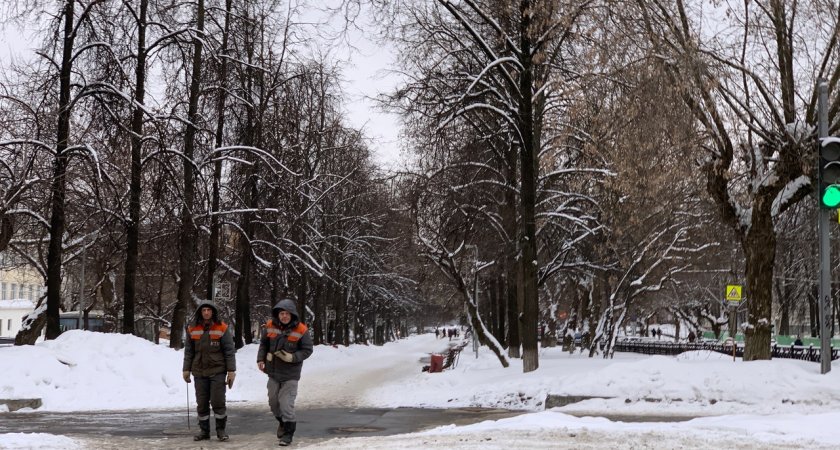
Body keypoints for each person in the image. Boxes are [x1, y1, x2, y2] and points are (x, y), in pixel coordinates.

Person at [258, 299, 314, 446]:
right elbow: (264, 344)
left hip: (290, 374)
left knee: (286, 404)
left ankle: (288, 434)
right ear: (278, 314)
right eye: (281, 313)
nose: (284, 316)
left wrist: (293, 357)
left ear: (292, 314)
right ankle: (282, 422)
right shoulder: (270, 326)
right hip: (273, 372)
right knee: (273, 402)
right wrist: (261, 359)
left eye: (287, 314)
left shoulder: (301, 330)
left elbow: (307, 350)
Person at [182, 301, 236, 442]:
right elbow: (189, 351)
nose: (206, 312)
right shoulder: (192, 328)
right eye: (204, 310)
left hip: (217, 371)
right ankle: (204, 431)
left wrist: (231, 371)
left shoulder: (222, 328)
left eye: (209, 310)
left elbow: (229, 351)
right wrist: (186, 369)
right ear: (200, 312)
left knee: (218, 401)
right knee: (202, 403)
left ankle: (221, 431)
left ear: (213, 312)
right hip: (199, 372)